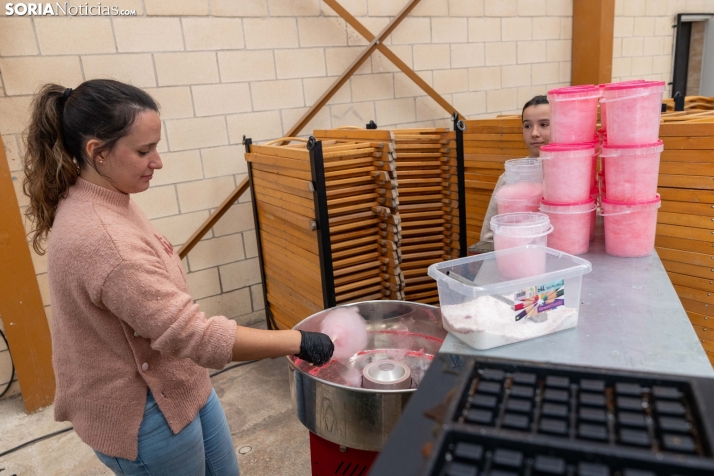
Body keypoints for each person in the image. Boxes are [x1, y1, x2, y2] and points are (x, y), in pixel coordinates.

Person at [22, 79, 334, 476]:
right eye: (143, 150)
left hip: (181, 380)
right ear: (97, 152)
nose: (158, 161)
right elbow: (195, 336)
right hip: (142, 412)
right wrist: (300, 341)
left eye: (155, 146)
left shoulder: (109, 197)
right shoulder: (103, 238)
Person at [478, 95, 551, 243]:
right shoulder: (510, 177)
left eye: (544, 124)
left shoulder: (570, 178)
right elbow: (488, 237)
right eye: (527, 126)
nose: (534, 133)